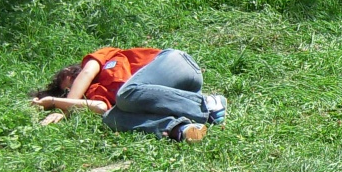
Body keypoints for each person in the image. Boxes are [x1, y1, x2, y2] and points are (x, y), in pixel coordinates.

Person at [32, 47, 226, 142]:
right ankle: (181, 129)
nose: (73, 91)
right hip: (171, 94)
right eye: (67, 91)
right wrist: (54, 101)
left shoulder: (101, 58)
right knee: (110, 118)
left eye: (69, 86)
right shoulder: (96, 92)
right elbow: (100, 108)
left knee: (125, 95)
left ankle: (207, 104)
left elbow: (86, 73)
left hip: (176, 65)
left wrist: (64, 107)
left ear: (70, 72)